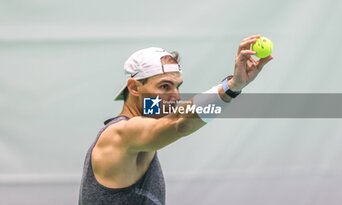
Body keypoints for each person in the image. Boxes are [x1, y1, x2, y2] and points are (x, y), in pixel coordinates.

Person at [79, 34, 273, 205]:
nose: (175, 96)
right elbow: (180, 122)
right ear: (134, 88)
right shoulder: (121, 133)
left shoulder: (144, 130)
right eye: (164, 86)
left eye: (177, 86)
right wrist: (232, 86)